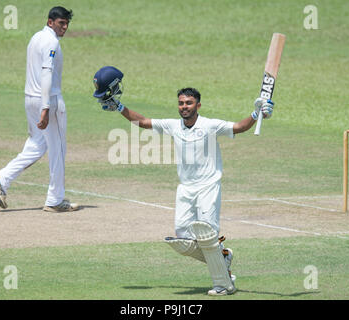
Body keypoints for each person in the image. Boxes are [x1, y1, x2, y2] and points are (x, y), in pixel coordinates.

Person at [92, 66, 274, 296]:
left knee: (207, 235)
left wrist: (257, 114)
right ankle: (223, 257)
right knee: (182, 239)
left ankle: (223, 285)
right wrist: (119, 107)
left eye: (188, 103)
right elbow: (144, 122)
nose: (184, 107)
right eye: (181, 103)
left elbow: (239, 127)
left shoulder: (209, 125)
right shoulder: (174, 125)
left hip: (208, 186)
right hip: (185, 188)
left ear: (198, 105)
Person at [0, 7, 79, 212]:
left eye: (66, 24)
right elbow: (46, 74)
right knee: (58, 149)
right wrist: (46, 108)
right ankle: (55, 200)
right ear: (50, 22)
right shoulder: (51, 42)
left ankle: (2, 178)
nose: (64, 27)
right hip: (48, 101)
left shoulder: (36, 37)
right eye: (61, 23)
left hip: (30, 98)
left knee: (37, 145)